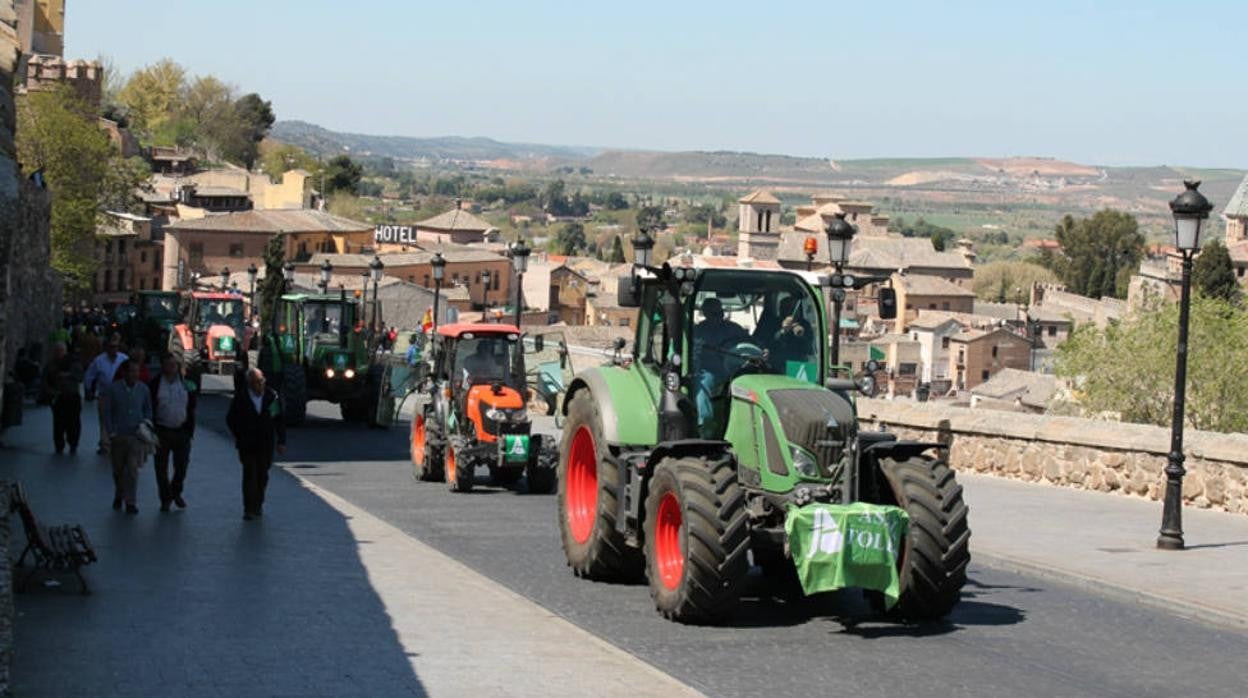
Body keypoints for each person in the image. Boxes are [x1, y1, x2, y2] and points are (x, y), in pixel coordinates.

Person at [226, 368, 286, 521]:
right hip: (247, 444)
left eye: (261, 382)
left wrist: (281, 441)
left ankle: (258, 503)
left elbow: (278, 420)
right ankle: (248, 508)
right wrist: (239, 435)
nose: (260, 386)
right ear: (249, 384)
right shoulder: (242, 398)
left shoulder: (271, 397)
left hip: (265, 443)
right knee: (249, 474)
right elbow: (231, 419)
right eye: (256, 383)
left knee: (262, 475)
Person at [103, 360, 152, 514]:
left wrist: (146, 424)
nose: (135, 375)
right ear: (124, 373)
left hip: (136, 436)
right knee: (118, 470)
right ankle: (119, 494)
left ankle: (130, 501)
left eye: (137, 372)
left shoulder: (143, 389)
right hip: (118, 436)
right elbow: (107, 412)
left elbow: (148, 410)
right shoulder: (113, 389)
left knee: (132, 469)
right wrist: (111, 431)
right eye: (132, 371)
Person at [149, 354, 197, 512]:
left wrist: (190, 429)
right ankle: (165, 498)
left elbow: (192, 405)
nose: (171, 367)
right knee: (161, 468)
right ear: (162, 366)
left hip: (181, 431)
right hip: (162, 430)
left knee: (181, 466)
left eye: (173, 365)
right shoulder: (155, 384)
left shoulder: (185, 383)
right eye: (168, 364)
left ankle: (176, 492)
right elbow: (150, 406)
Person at [692, 297, 748, 428]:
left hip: (737, 370)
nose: (718, 317)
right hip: (710, 372)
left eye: (720, 313)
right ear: (705, 314)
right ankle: (704, 424)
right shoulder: (697, 331)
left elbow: (751, 344)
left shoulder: (734, 329)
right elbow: (691, 355)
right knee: (701, 383)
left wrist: (762, 350)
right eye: (713, 314)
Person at [84, 333, 128, 455]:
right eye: (111, 347)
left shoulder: (123, 359)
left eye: (115, 347)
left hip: (120, 395)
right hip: (105, 395)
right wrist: (88, 389)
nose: (113, 349)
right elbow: (90, 375)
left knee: (118, 419)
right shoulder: (99, 361)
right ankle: (105, 444)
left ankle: (117, 442)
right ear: (107, 348)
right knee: (104, 420)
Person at [43, 342, 83, 454]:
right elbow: (45, 381)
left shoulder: (73, 362)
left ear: (65, 351)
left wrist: (68, 374)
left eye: (61, 350)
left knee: (73, 422)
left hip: (72, 396)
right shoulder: (51, 364)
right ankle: (59, 445)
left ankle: (73, 443)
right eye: (57, 350)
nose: (59, 353)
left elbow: (80, 376)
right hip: (58, 397)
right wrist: (51, 393)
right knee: (58, 423)